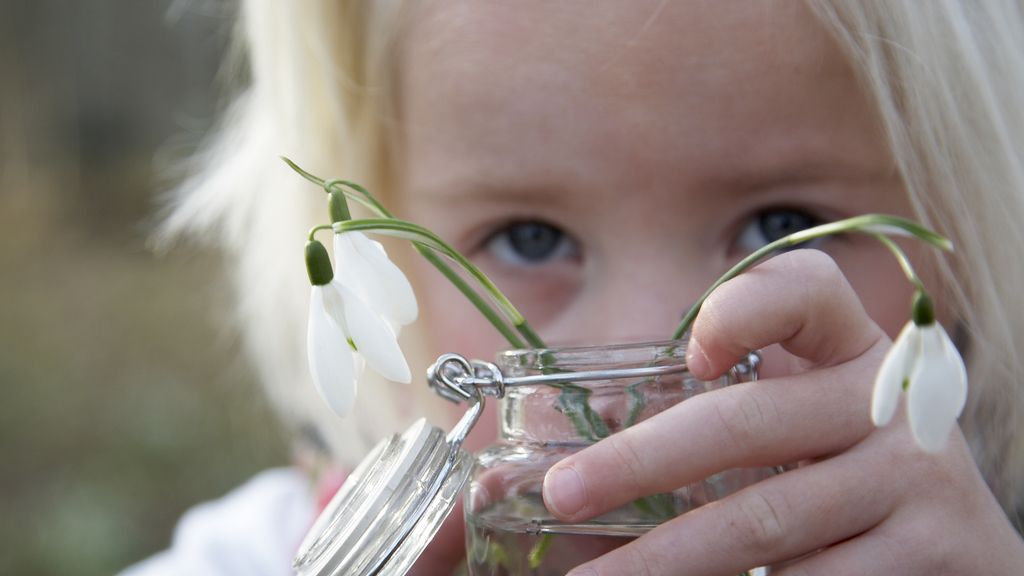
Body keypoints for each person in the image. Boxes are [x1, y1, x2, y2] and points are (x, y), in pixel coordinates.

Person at [128, 0, 1024, 574]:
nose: (650, 359)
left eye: (780, 228)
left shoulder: (976, 553)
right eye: (531, 237)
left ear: (972, 237)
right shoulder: (265, 555)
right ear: (380, 253)